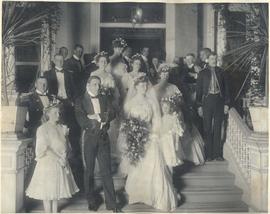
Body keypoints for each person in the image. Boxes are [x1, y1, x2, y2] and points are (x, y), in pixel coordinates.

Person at [119, 73, 178, 211]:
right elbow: (126, 122)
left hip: (149, 136)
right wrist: (132, 135)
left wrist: (154, 133)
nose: (144, 87)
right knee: (137, 164)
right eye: (141, 84)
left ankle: (154, 196)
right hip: (135, 137)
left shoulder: (151, 101)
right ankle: (138, 195)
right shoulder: (130, 103)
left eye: (145, 84)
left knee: (154, 164)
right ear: (136, 86)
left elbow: (157, 119)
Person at [74, 76, 121, 212]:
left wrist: (98, 116)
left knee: (106, 171)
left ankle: (112, 205)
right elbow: (81, 120)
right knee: (89, 171)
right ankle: (91, 201)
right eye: (94, 84)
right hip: (88, 138)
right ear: (88, 85)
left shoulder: (104, 98)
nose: (97, 87)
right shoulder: (80, 100)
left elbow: (112, 113)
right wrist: (94, 121)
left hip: (103, 138)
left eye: (98, 84)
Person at [26, 103, 79, 213]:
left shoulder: (61, 127)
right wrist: (59, 159)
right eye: (54, 113)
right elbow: (44, 149)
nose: (58, 115)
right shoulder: (42, 129)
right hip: (48, 162)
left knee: (55, 192)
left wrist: (64, 156)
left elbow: (66, 146)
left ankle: (54, 212)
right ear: (48, 114)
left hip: (61, 162)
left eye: (59, 112)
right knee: (47, 192)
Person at [44, 54, 83, 191]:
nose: (60, 61)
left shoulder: (69, 73)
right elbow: (45, 90)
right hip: (55, 106)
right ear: (54, 61)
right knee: (57, 136)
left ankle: (71, 178)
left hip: (68, 105)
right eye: (57, 60)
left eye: (62, 60)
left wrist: (72, 101)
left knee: (70, 137)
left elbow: (75, 90)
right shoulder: (47, 74)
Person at [154, 64, 205, 166]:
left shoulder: (173, 87)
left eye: (167, 73)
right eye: (163, 73)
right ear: (159, 75)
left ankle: (181, 157)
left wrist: (174, 108)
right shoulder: (155, 88)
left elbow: (180, 102)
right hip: (160, 115)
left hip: (173, 114)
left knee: (180, 127)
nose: (165, 75)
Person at [196, 52, 230, 161]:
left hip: (219, 101)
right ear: (207, 60)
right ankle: (209, 155)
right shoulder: (202, 73)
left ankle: (217, 154)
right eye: (211, 59)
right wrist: (199, 106)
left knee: (218, 127)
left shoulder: (222, 72)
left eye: (215, 59)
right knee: (207, 128)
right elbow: (199, 91)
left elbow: (227, 90)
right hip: (207, 101)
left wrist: (226, 104)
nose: (213, 61)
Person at [160, 99, 184, 174]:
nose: (165, 109)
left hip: (170, 142)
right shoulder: (160, 119)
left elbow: (177, 131)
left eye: (167, 107)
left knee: (170, 159)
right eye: (163, 107)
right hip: (162, 142)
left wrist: (176, 143)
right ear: (161, 108)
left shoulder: (173, 118)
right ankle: (165, 175)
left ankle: (171, 175)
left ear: (170, 108)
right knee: (163, 160)